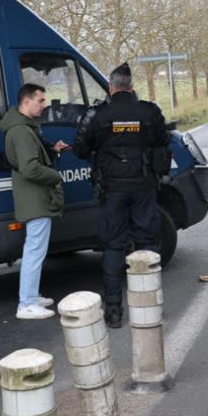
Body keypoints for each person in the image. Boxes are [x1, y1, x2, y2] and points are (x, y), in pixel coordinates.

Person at [73, 62, 170, 328]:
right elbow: (162, 140)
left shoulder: (97, 114)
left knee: (114, 247)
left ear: (110, 87)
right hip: (143, 187)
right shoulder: (149, 111)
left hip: (112, 190)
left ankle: (114, 311)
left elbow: (80, 148)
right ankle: (151, 305)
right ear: (132, 87)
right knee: (147, 243)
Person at [0, 83, 69, 320]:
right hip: (35, 197)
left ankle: (31, 295)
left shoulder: (23, 127)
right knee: (34, 251)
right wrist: (55, 176)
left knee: (35, 250)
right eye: (40, 100)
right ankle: (27, 303)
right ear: (26, 101)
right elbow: (30, 168)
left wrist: (53, 150)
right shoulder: (21, 131)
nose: (44, 105)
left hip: (33, 196)